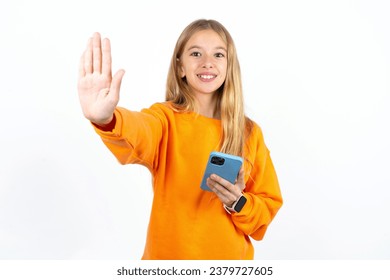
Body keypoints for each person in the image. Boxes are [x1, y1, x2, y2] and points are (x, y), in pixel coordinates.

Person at [78, 19, 283, 260]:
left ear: (229, 66)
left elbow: (267, 208)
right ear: (180, 67)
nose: (207, 63)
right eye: (196, 53)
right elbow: (138, 130)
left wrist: (237, 202)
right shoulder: (165, 119)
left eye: (218, 55)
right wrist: (106, 118)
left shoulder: (249, 133)